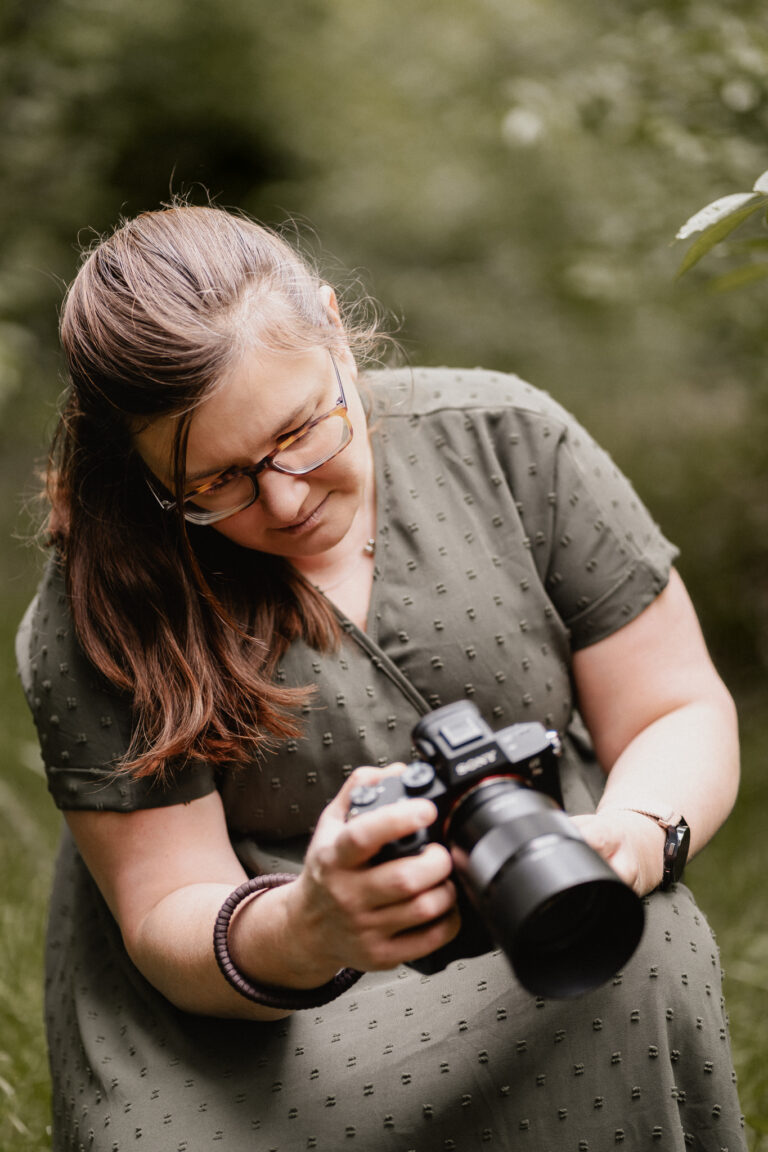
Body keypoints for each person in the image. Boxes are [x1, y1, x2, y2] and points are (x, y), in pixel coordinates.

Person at [17, 202, 746, 1152]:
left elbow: (677, 704)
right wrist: (312, 929)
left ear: (337, 337)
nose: (282, 500)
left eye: (299, 432)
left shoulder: (509, 442)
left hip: (524, 915)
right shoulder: (101, 598)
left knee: (645, 954)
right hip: (244, 1000)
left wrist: (640, 833)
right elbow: (166, 911)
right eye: (214, 483)